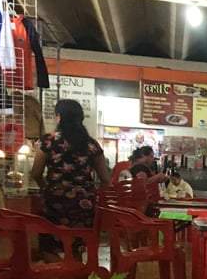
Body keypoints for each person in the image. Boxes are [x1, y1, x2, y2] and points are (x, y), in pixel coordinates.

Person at [30, 99, 111, 260]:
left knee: (48, 246)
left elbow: (36, 172)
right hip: (84, 202)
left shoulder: (48, 141)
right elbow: (105, 179)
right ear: (81, 118)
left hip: (55, 200)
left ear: (58, 117)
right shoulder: (92, 145)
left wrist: (44, 187)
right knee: (76, 246)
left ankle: (65, 278)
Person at [128, 145, 168, 211]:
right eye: (151, 157)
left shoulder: (138, 166)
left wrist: (158, 180)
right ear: (143, 156)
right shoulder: (139, 167)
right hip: (143, 204)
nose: (153, 159)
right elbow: (143, 182)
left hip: (145, 203)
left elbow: (147, 180)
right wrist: (158, 176)